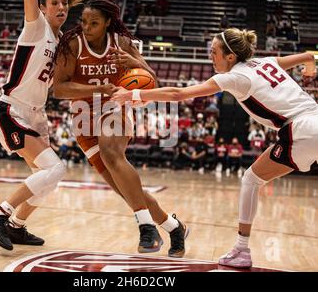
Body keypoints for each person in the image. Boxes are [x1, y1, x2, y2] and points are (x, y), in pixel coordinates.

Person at [112, 27, 318, 268]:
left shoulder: (236, 76)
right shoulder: (265, 62)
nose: (211, 56)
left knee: (251, 180)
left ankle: (242, 249)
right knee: (252, 178)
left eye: (214, 52)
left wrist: (132, 95)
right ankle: (240, 249)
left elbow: (178, 94)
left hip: (302, 131)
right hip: (313, 121)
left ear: (230, 57)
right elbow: (306, 56)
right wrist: (310, 65)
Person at [53, 0, 189, 257]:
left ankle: (146, 227)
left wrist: (136, 64)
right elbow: (58, 89)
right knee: (126, 190)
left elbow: (153, 81)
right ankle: (174, 228)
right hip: (83, 115)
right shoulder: (72, 44)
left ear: (107, 23)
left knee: (111, 151)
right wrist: (97, 88)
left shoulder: (123, 43)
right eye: (83, 21)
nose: (86, 27)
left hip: (117, 106)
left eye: (93, 22)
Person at [0, 0, 87, 251]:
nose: (61, 8)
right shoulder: (36, 26)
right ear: (42, 7)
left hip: (37, 115)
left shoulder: (62, 41)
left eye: (64, 3)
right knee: (56, 168)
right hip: (12, 109)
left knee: (48, 181)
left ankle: (16, 226)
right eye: (55, 3)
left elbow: (62, 85)